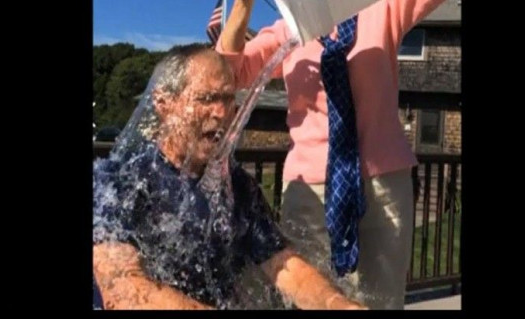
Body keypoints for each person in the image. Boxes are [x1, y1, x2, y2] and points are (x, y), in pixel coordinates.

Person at [216, 0, 461, 309]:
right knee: (309, 297)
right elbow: (229, 73)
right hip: (308, 187)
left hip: (383, 183)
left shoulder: (383, 7)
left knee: (382, 298)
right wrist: (244, 0)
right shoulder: (286, 31)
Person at [92, 44, 366, 310]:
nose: (223, 113)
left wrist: (336, 303)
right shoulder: (119, 181)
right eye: (206, 99)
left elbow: (283, 263)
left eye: (228, 99)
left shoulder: (236, 186)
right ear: (164, 103)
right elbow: (121, 289)